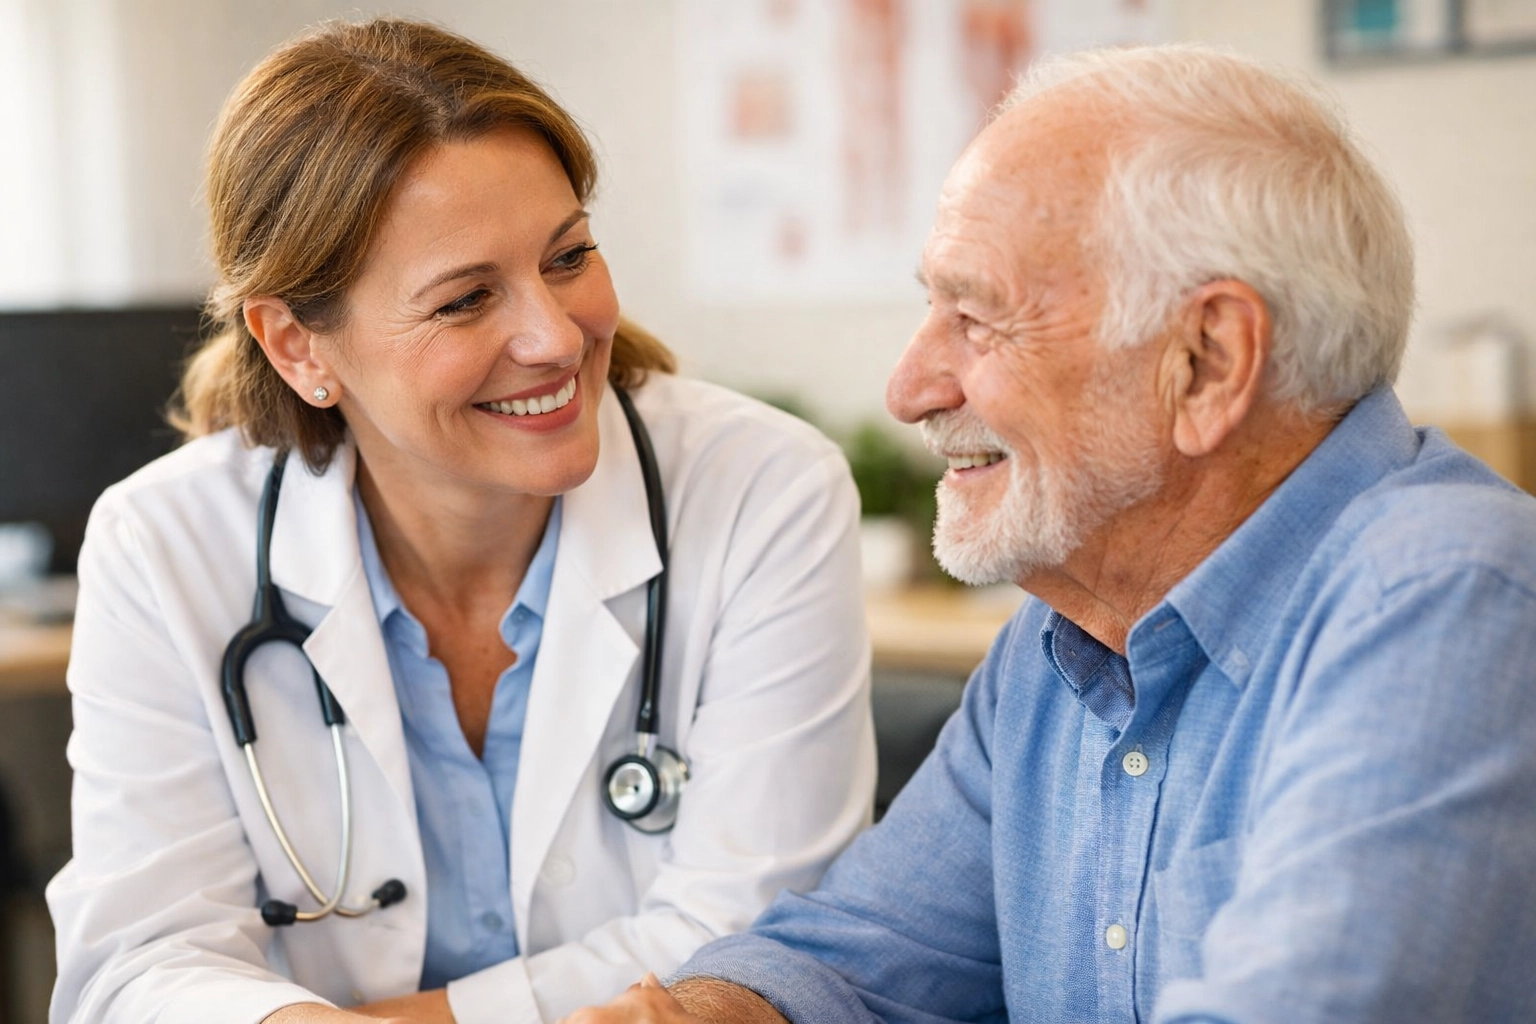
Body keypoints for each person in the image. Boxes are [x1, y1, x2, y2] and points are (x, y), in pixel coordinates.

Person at [566, 43, 1536, 1024]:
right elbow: (856, 960)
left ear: (1206, 360)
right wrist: (698, 1013)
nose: (909, 389)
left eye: (977, 317)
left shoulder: (1449, 600)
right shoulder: (1060, 640)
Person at [45, 18, 875, 1024]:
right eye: (465, 300)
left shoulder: (761, 489)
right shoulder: (165, 545)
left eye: (568, 256)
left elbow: (759, 941)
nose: (555, 336)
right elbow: (137, 966)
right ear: (298, 345)